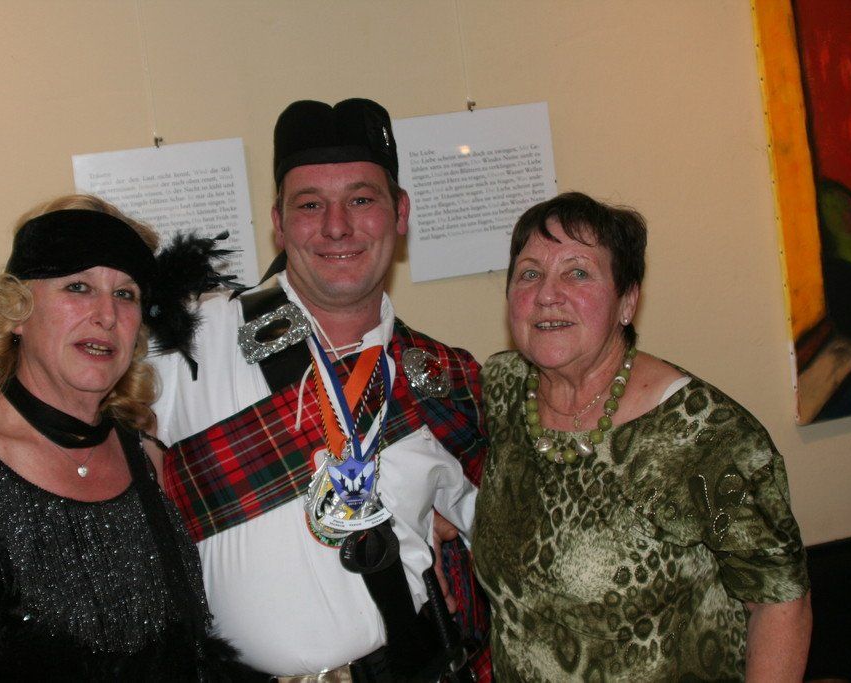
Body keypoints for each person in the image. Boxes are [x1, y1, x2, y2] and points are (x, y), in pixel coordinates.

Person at [152, 98, 489, 680]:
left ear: (400, 212)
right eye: (310, 204)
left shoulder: (444, 378)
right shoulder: (190, 341)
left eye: (362, 199)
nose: (337, 227)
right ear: (278, 222)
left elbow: (513, 546)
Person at [0, 195, 257, 680]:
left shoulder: (146, 456)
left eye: (126, 294)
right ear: (17, 312)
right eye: (78, 286)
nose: (106, 315)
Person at [472, 192, 812, 681]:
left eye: (578, 272)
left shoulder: (703, 436)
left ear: (627, 302)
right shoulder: (503, 390)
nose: (547, 294)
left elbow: (780, 604)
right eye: (529, 274)